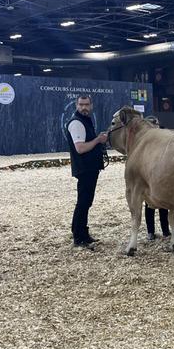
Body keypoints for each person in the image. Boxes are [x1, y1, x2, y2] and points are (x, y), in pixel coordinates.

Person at [65, 95, 108, 248]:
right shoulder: (77, 123)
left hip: (89, 168)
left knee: (86, 201)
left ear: (91, 106)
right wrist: (98, 140)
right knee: (83, 202)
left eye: (86, 104)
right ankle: (79, 237)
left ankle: (82, 233)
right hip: (85, 168)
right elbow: (80, 148)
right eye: (81, 104)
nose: (84, 107)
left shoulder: (84, 121)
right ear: (76, 105)